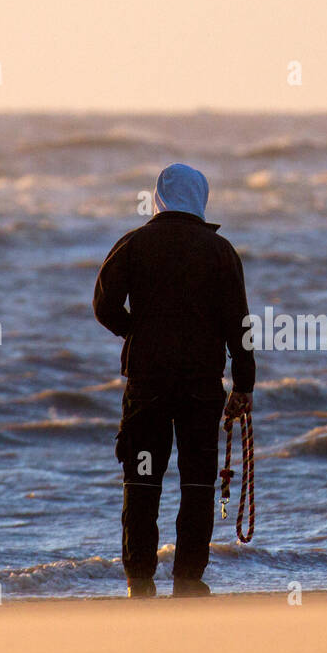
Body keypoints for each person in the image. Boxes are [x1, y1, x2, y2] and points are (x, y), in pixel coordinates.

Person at [94, 163, 255, 598]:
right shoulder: (219, 251)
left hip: (147, 382)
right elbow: (240, 324)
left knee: (142, 476)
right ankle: (188, 576)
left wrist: (135, 331)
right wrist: (244, 383)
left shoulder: (133, 245)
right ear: (200, 197)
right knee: (198, 480)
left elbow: (104, 306)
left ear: (159, 197)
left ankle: (139, 577)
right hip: (201, 385)